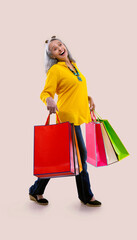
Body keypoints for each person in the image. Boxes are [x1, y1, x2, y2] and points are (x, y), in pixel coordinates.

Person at [29, 36, 101, 207]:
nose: (59, 48)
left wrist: (88, 98)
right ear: (52, 56)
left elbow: (73, 89)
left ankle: (35, 190)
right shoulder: (56, 70)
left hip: (76, 117)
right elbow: (45, 93)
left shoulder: (73, 66)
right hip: (66, 119)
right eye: (54, 48)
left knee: (58, 158)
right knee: (81, 157)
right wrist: (49, 100)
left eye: (60, 45)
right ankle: (86, 196)